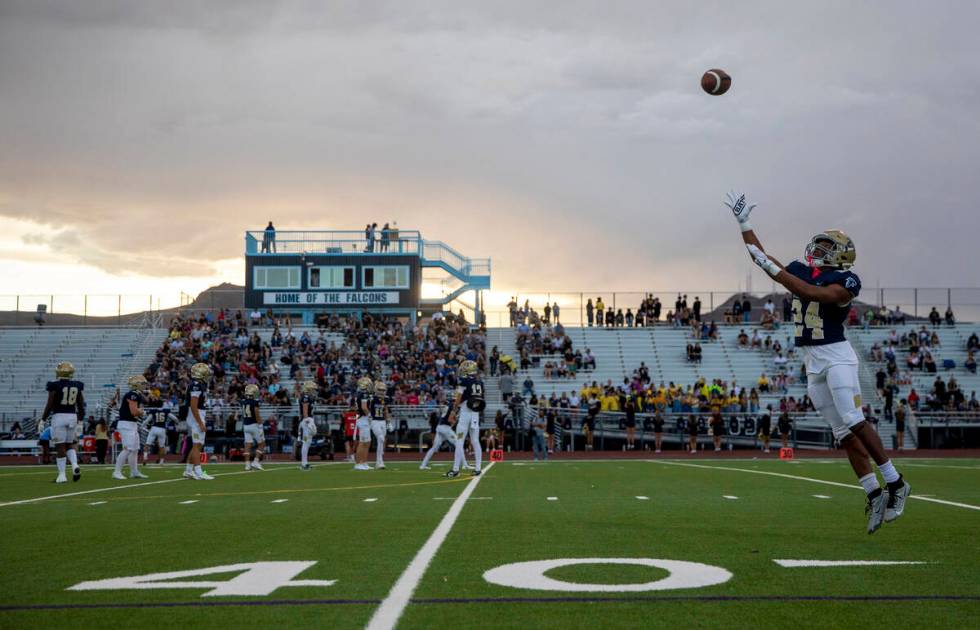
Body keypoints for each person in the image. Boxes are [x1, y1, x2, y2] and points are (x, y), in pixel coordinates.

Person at [728, 189, 910, 533]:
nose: (818, 250)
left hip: (837, 356)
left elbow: (813, 294)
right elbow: (761, 257)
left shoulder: (845, 280)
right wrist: (744, 222)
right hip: (812, 360)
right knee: (842, 433)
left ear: (840, 255)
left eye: (826, 248)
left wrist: (772, 269)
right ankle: (873, 492)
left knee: (855, 420)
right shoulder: (801, 270)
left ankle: (896, 482)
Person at [41, 361, 84, 483]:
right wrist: (80, 420)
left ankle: (62, 475)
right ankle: (75, 465)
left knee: (60, 445)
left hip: (59, 416)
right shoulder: (77, 385)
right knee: (69, 444)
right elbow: (81, 405)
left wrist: (43, 419)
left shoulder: (54, 385)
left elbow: (49, 404)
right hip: (72, 416)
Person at [446, 360, 485, 478]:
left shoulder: (464, 381)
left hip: (465, 414)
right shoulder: (480, 382)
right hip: (475, 414)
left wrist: (453, 411)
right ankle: (478, 469)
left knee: (459, 440)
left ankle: (455, 470)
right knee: (475, 441)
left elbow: (458, 398)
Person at [179, 363, 214, 480]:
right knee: (197, 445)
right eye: (205, 373)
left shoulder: (199, 384)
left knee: (198, 445)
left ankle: (188, 471)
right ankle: (198, 471)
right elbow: (193, 406)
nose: (207, 375)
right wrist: (200, 423)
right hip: (195, 416)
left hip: (196, 415)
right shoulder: (196, 385)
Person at [113, 375, 149, 480]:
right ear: (136, 384)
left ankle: (134, 472)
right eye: (142, 384)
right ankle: (117, 471)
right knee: (128, 449)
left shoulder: (135, 394)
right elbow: (134, 412)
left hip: (131, 424)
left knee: (135, 449)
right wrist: (142, 412)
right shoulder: (132, 394)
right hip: (126, 424)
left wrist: (140, 411)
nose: (144, 386)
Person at [420, 405, 466, 469]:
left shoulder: (448, 409)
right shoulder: (452, 408)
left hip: (440, 428)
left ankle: (423, 465)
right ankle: (465, 464)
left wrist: (455, 421)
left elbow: (450, 421)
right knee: (459, 444)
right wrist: (456, 421)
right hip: (445, 428)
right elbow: (450, 420)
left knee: (434, 447)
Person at [241, 383, 266, 471]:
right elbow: (256, 413)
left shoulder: (243, 401)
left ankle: (247, 465)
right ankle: (255, 461)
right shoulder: (255, 402)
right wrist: (260, 425)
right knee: (262, 443)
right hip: (254, 425)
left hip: (246, 425)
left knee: (248, 445)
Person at [353, 377, 374, 470]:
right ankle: (358, 463)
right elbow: (364, 407)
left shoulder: (360, 393)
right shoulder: (363, 394)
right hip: (363, 418)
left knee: (367, 442)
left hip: (363, 418)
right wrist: (370, 416)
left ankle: (364, 462)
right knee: (362, 442)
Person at [370, 380, 390, 470]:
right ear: (376, 389)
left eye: (383, 390)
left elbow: (385, 410)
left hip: (382, 421)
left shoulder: (386, 399)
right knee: (381, 438)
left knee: (381, 441)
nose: (381, 391)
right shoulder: (372, 398)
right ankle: (379, 461)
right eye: (380, 390)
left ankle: (379, 462)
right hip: (374, 421)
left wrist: (389, 421)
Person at [298, 382, 318, 470]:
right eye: (312, 389)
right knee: (305, 443)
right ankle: (303, 463)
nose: (314, 391)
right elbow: (305, 411)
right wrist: (307, 421)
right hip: (307, 420)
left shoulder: (309, 397)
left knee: (307, 443)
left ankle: (305, 462)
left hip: (308, 420)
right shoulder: (305, 397)